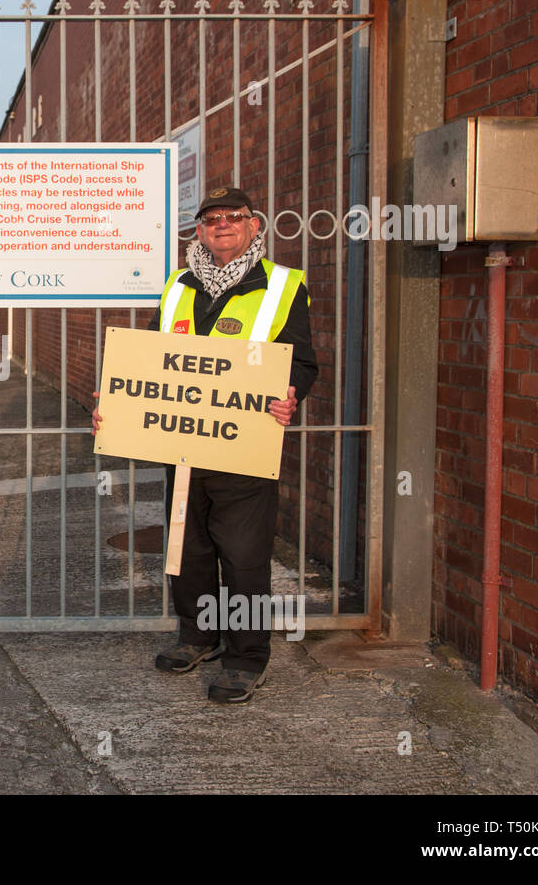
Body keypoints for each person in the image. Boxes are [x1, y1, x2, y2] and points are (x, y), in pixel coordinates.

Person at [92, 186, 317, 704]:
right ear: (199, 230)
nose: (222, 225)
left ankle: (246, 657)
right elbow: (150, 360)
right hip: (184, 448)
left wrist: (291, 394)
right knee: (187, 551)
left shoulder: (281, 285)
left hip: (243, 448)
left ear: (254, 226)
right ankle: (198, 637)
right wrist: (116, 399)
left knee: (243, 559)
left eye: (234, 217)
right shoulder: (178, 285)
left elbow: (302, 362)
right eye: (211, 218)